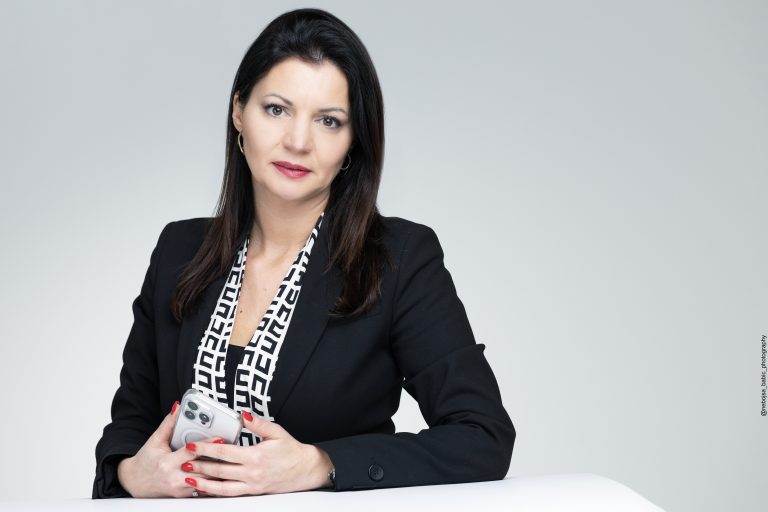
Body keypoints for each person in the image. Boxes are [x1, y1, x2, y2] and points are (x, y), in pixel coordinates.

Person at [93, 7, 515, 499]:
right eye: (277, 109)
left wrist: (321, 464)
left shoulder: (398, 259)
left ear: (353, 141)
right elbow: (129, 426)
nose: (297, 141)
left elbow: (482, 435)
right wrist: (131, 473)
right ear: (238, 112)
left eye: (329, 121)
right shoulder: (178, 251)